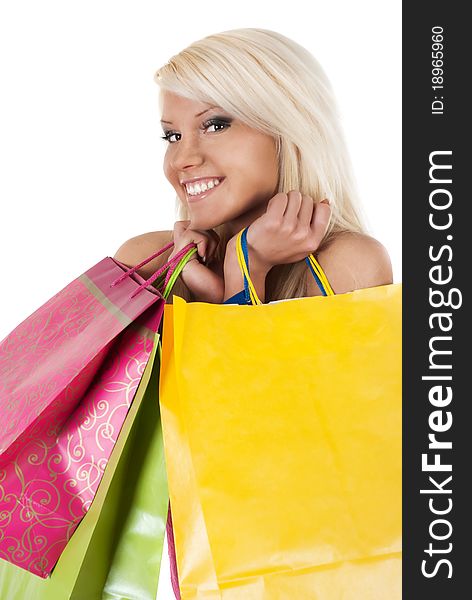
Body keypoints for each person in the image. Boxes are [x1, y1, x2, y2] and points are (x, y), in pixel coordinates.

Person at [114, 27, 393, 598]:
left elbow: (298, 468)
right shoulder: (144, 265)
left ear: (288, 130)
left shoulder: (349, 266)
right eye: (171, 135)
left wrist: (244, 282)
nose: (184, 159)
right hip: (171, 579)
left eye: (216, 124)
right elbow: (103, 456)